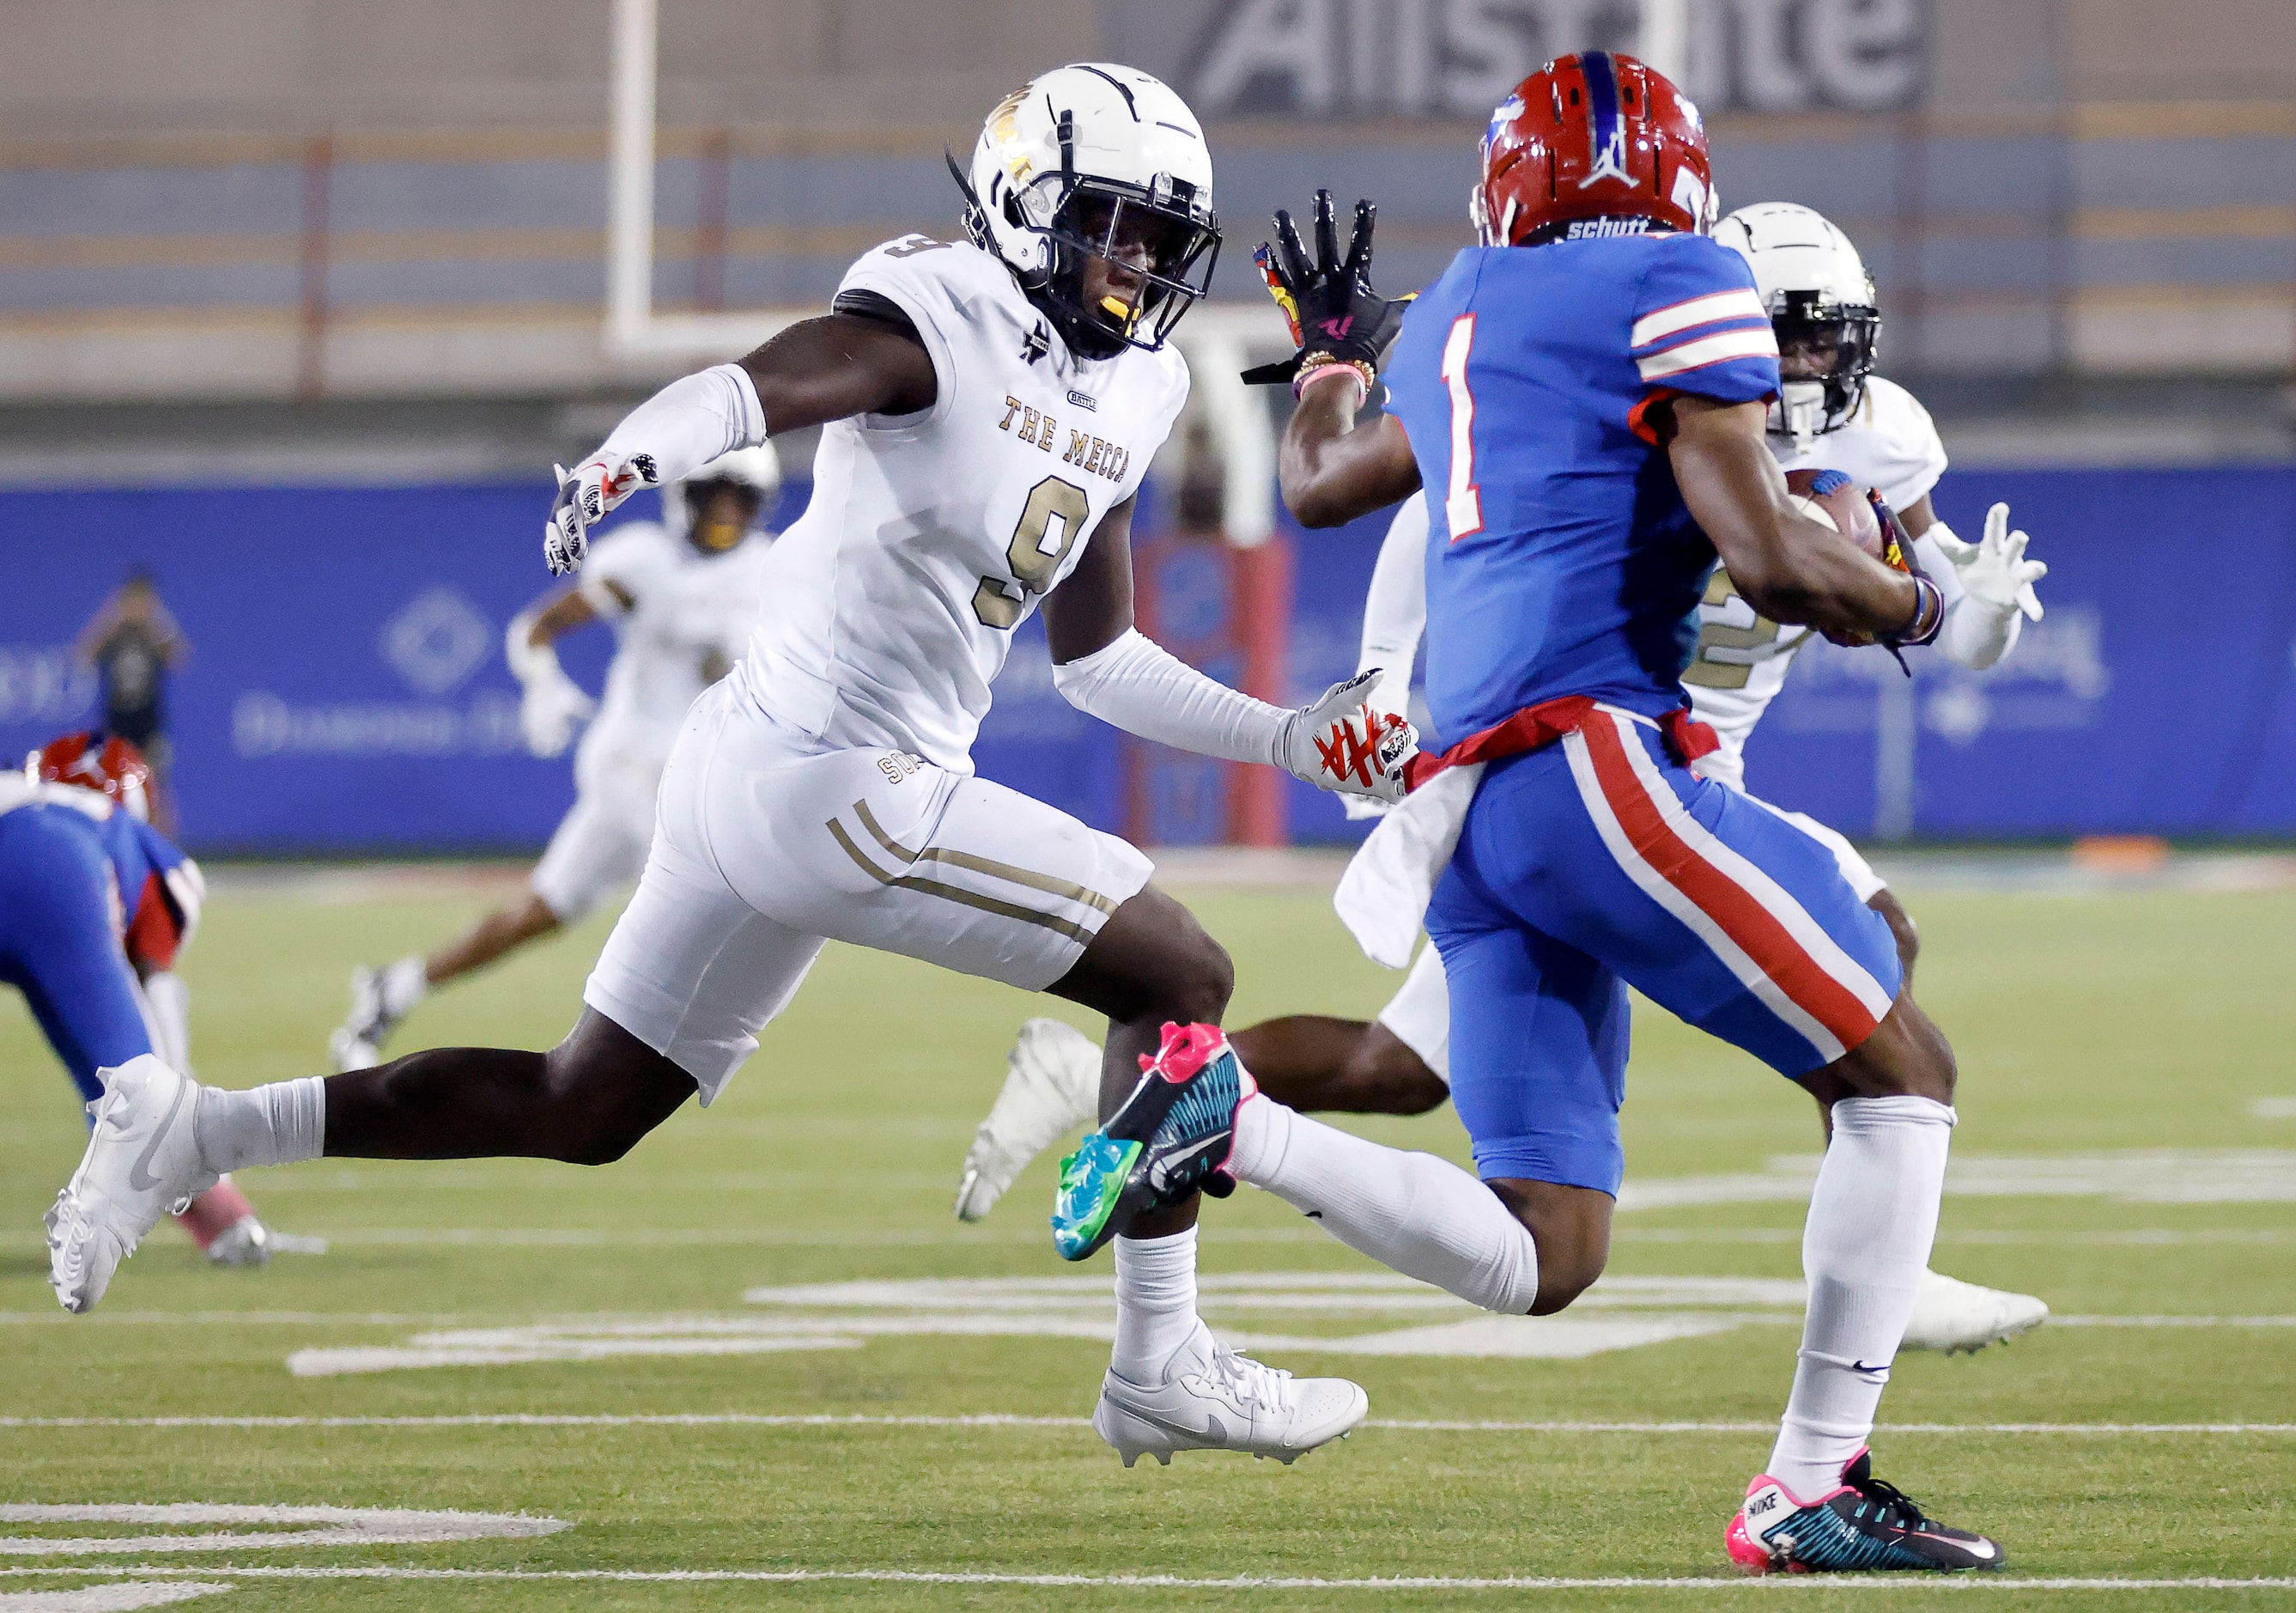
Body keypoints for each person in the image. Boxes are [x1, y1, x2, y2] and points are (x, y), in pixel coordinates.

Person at [46, 64, 1434, 1471]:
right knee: (1180, 972)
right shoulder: (942, 311)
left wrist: (1277, 731)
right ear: (1026, 201)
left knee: (581, 1104)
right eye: (1111, 222)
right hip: (840, 778)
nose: (1135, 262)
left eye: (1158, 235)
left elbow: (1094, 660)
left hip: (762, 771)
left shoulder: (1131, 386)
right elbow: (772, 383)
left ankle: (191, 1126)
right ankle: (1158, 1361)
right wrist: (634, 450)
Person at [955, 203, 2052, 1359]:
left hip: (1665, 769)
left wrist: (1970, 609)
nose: (1798, 368)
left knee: (1412, 1074)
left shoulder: (1881, 440)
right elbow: (1427, 515)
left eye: (1822, 343)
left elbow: (1934, 592)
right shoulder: (1625, 381)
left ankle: (1118, 1085)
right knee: (1867, 975)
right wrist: (1378, 677)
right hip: (1595, 762)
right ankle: (1883, 1275)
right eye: (1777, 339)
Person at [331, 447, 782, 1069]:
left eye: (743, 498)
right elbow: (536, 628)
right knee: (702, 881)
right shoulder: (647, 561)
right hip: (632, 760)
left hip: (694, 769)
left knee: (539, 913)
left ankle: (396, 986)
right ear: (690, 496)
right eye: (718, 494)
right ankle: (629, 1049)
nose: (727, 512)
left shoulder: (773, 571)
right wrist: (541, 683)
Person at [7, 733, 290, 1267]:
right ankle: (234, 1233)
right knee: (143, 1100)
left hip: (43, 865)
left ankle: (231, 1230)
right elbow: (157, 1036)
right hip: (49, 869)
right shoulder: (125, 841)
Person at [72, 569, 189, 834]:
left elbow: (179, 657)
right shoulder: (115, 633)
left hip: (148, 724)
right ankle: (113, 843)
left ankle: (165, 849)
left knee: (156, 787)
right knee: (111, 785)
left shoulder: (153, 634)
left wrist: (158, 620)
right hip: (117, 722)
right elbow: (84, 655)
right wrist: (111, 617)